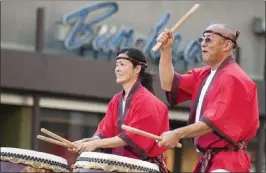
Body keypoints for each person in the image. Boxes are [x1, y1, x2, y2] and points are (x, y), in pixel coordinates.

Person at [155, 24, 260, 172]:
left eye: (209, 39)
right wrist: (165, 50)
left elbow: (211, 122)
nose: (203, 43)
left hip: (228, 162)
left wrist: (176, 134)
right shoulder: (205, 74)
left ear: (227, 45)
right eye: (202, 39)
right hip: (213, 160)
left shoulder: (232, 77)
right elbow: (168, 84)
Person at [70, 48, 170, 172]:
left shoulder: (148, 101)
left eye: (122, 64)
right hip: (119, 164)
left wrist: (95, 144)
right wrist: (86, 142)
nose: (117, 69)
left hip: (142, 167)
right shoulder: (116, 100)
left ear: (137, 69)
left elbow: (133, 137)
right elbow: (105, 131)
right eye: (116, 65)